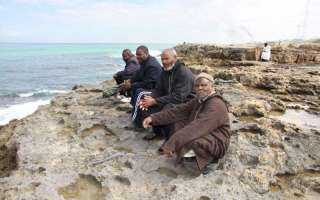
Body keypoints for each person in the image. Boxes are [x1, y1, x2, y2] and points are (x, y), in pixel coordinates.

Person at [143, 72, 230, 174]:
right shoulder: (199, 99)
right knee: (177, 124)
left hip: (217, 140)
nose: (200, 88)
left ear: (212, 86)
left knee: (194, 141)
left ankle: (212, 159)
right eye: (197, 86)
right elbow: (179, 110)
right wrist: (153, 118)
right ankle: (191, 154)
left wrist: (171, 144)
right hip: (204, 130)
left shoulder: (216, 104)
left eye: (204, 85)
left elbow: (198, 127)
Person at [137, 48, 195, 140]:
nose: (164, 61)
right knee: (145, 105)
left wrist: (155, 101)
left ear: (175, 58)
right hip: (170, 99)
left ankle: (169, 138)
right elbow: (158, 90)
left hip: (187, 103)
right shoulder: (165, 71)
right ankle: (157, 132)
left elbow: (178, 98)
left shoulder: (183, 72)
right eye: (162, 59)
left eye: (166, 59)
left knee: (167, 108)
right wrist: (149, 98)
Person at [121, 45, 162, 124]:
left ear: (146, 54)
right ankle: (135, 109)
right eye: (136, 54)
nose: (137, 57)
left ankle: (137, 121)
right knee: (135, 87)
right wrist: (130, 81)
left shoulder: (152, 65)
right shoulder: (144, 62)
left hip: (156, 89)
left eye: (139, 55)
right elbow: (138, 75)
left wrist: (131, 85)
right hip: (149, 85)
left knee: (139, 92)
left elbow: (148, 84)